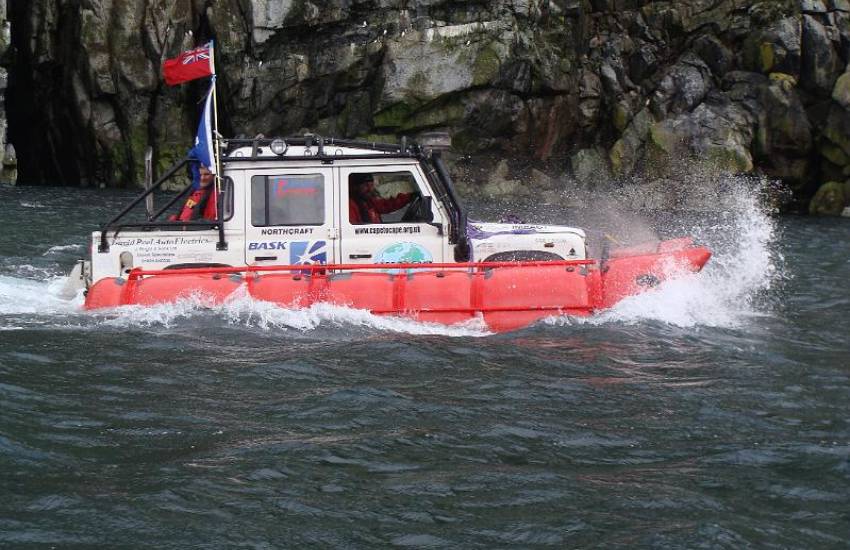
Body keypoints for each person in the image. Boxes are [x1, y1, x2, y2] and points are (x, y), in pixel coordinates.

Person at [348, 173, 414, 224]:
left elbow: (387, 205)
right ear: (355, 187)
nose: (370, 189)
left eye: (371, 185)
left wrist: (409, 197)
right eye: (366, 185)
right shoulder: (350, 206)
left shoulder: (367, 201)